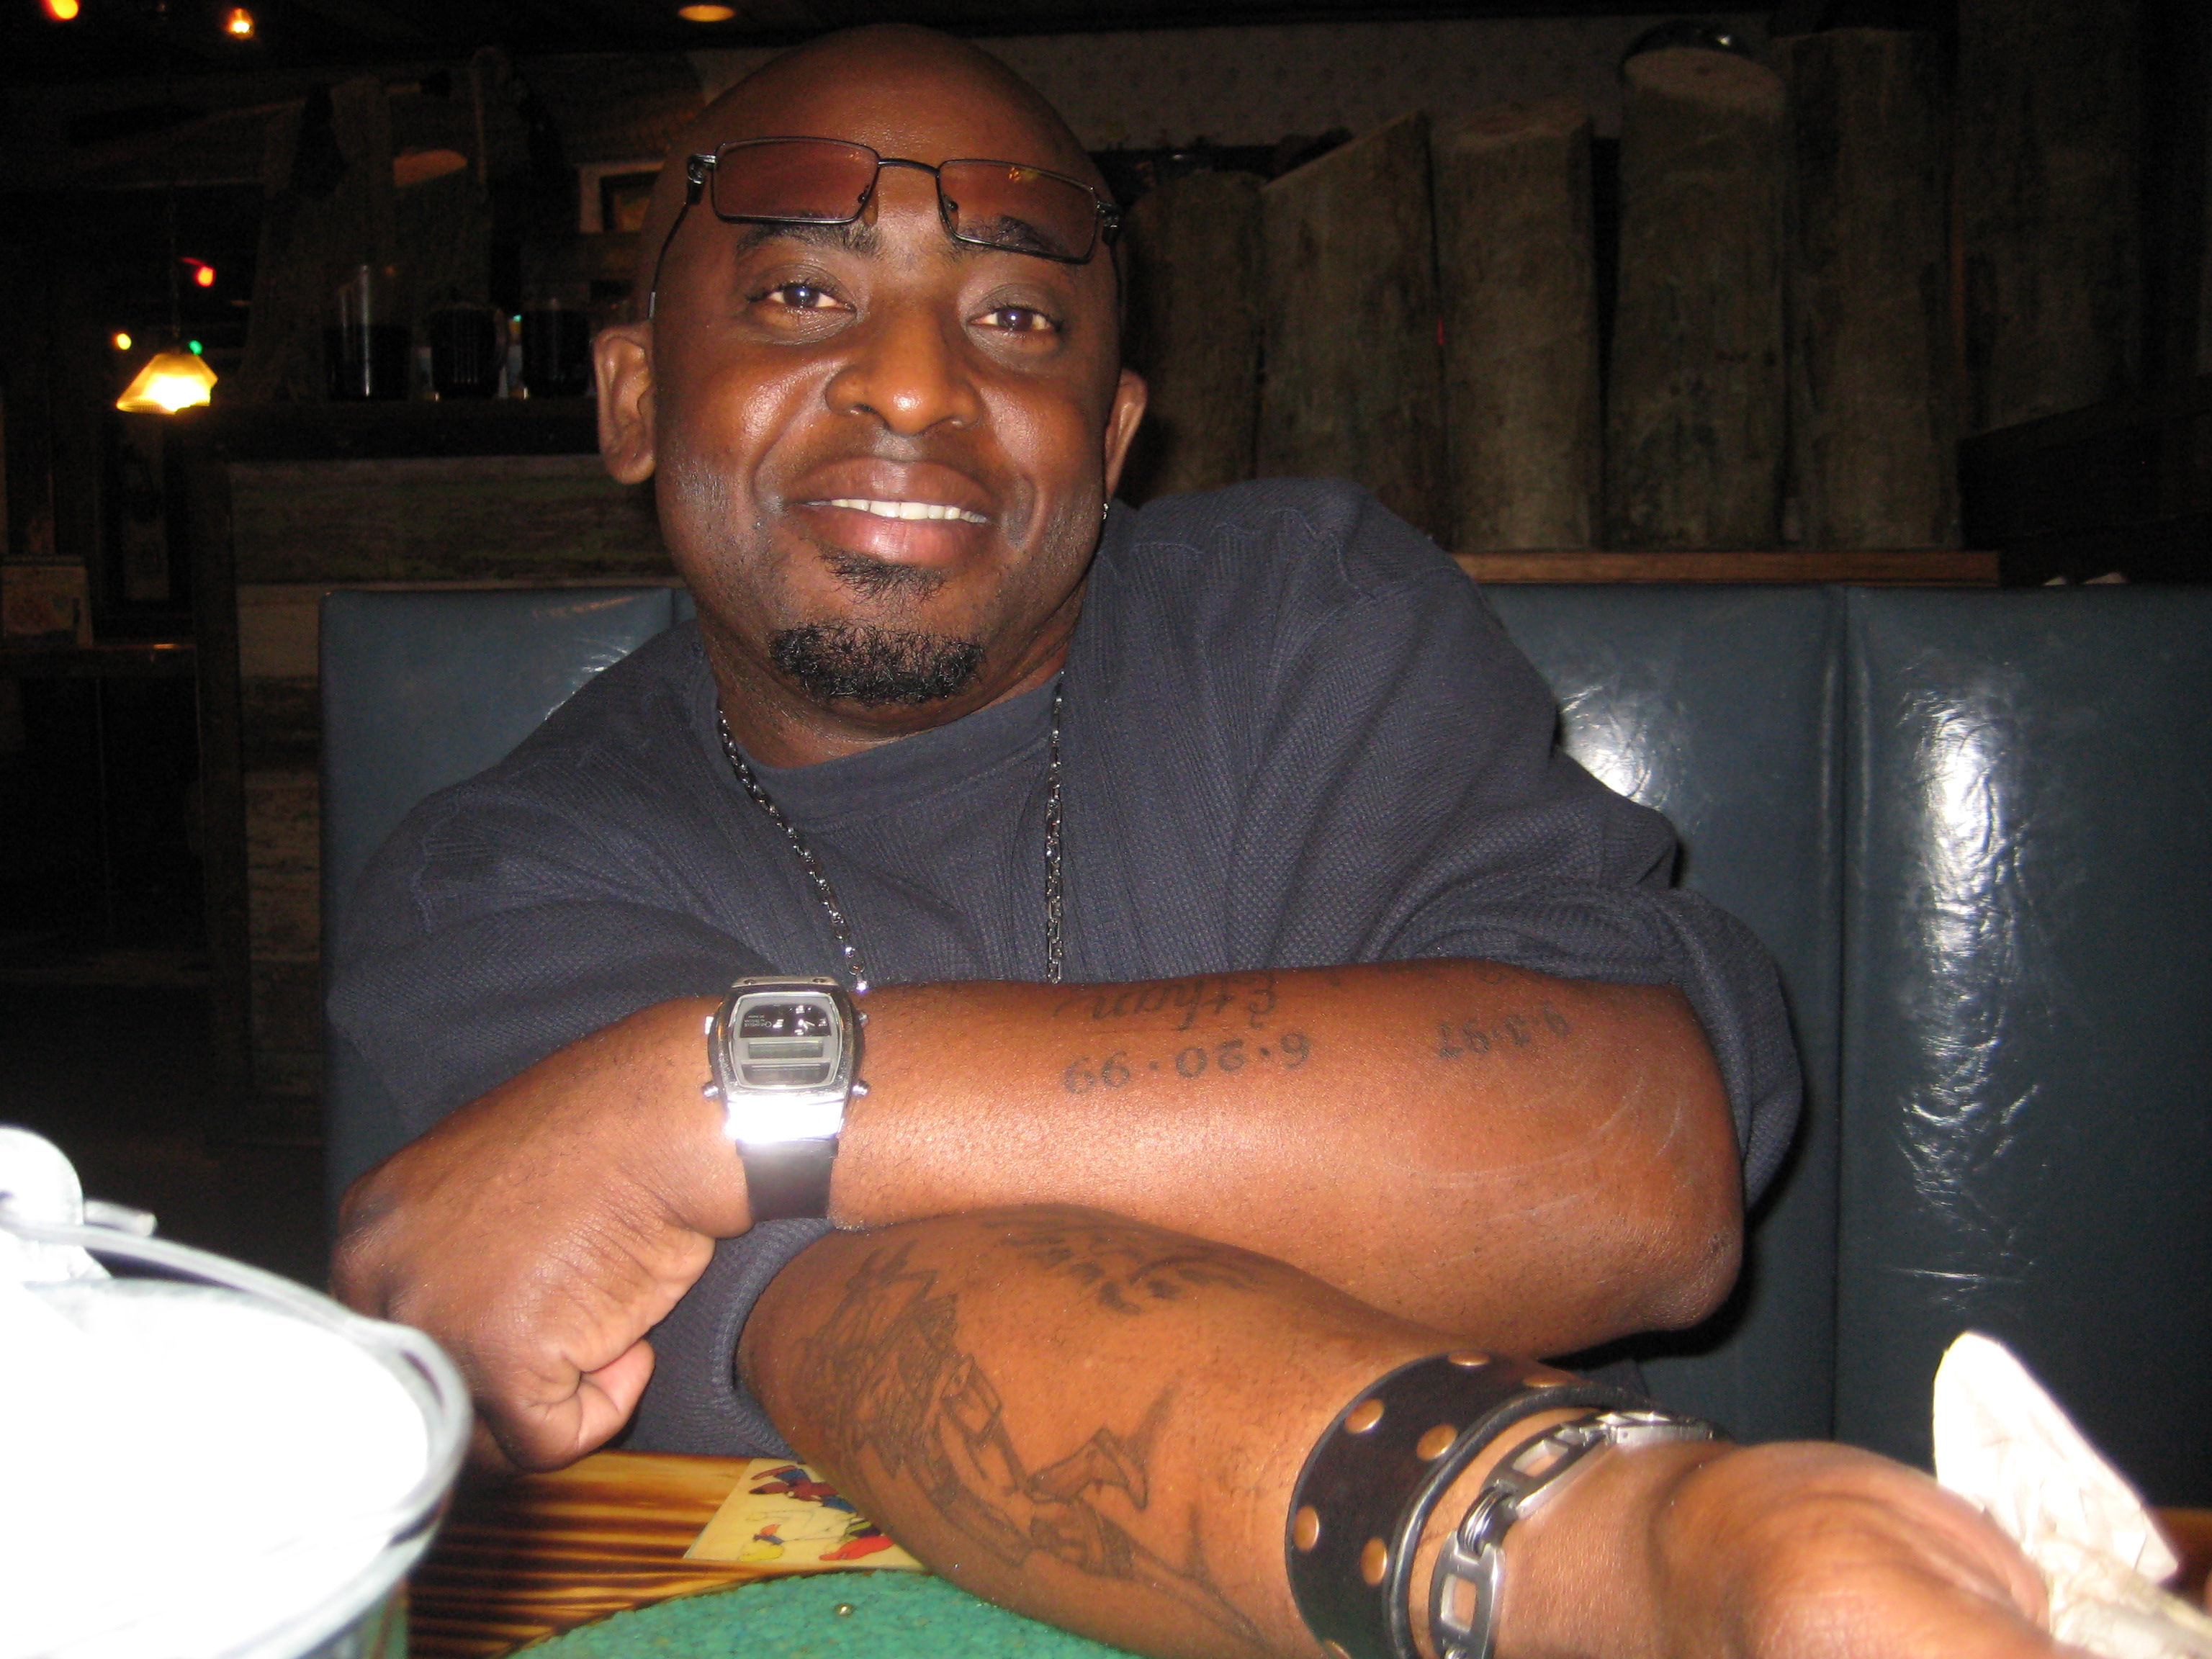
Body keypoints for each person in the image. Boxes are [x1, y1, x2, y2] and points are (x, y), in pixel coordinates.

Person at [331, 25, 2074, 1659]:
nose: (919, 387)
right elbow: (850, 1326)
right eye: (801, 294)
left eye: (1019, 318)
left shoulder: (1300, 620)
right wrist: (1593, 1553)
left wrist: (719, 1095)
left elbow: (1629, 1163)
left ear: (1111, 437)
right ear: (635, 395)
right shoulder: (506, 873)